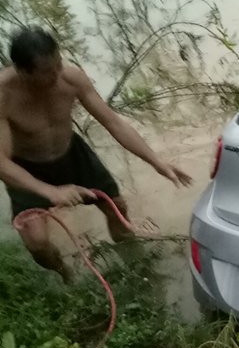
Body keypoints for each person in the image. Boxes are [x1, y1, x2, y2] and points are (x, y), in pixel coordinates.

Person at [0, 25, 192, 280]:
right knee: (37, 243)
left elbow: (113, 122)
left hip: (72, 154)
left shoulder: (71, 78)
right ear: (23, 72)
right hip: (25, 167)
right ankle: (64, 273)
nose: (57, 74)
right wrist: (51, 191)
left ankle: (136, 267)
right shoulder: (4, 95)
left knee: (117, 208)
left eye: (59, 63)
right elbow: (2, 163)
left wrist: (156, 161)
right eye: (47, 71)